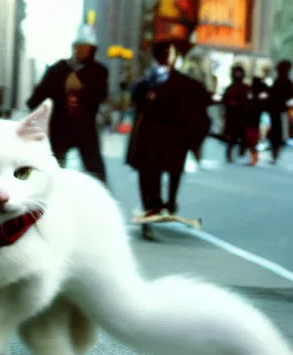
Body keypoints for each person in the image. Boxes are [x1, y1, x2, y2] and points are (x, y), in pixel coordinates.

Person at [126, 40, 211, 238]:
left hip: (174, 137)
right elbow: (136, 99)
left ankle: (170, 201)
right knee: (149, 178)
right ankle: (151, 212)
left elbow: (200, 104)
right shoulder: (147, 81)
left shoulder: (185, 84)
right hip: (149, 137)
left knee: (173, 172)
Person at [26, 23, 108, 182]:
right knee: (53, 164)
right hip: (60, 126)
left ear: (92, 50)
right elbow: (42, 92)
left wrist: (82, 92)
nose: (81, 50)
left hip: (86, 128)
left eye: (86, 47)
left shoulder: (99, 71)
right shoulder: (59, 68)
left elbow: (101, 95)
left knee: (95, 168)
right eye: (79, 46)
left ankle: (100, 195)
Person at [222, 65, 250, 163]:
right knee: (232, 137)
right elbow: (225, 100)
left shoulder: (245, 88)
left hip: (242, 117)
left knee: (242, 137)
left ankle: (240, 153)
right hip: (233, 116)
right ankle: (230, 155)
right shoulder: (231, 88)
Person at [267, 60, 293, 163]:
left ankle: (274, 153)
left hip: (276, 110)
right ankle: (275, 153)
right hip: (280, 110)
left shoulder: (278, 82)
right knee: (279, 132)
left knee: (276, 131)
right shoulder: (285, 82)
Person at [245, 77, 268, 166]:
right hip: (255, 121)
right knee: (253, 140)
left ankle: (253, 159)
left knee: (252, 140)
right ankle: (253, 158)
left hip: (253, 120)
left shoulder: (253, 96)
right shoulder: (259, 96)